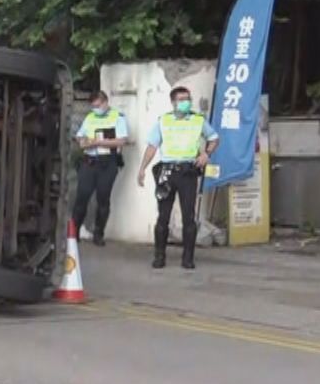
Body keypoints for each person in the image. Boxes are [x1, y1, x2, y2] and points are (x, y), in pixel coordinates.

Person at [136, 86, 220, 270]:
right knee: (163, 216)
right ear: (173, 102)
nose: (185, 102)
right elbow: (152, 146)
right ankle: (159, 256)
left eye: (188, 99)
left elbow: (214, 138)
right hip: (166, 172)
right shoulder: (163, 121)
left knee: (188, 217)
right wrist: (142, 168)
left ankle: (188, 258)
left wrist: (206, 154)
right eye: (181, 99)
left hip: (188, 172)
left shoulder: (198, 120)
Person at [72, 91, 129, 245]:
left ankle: (98, 234)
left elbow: (122, 141)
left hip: (108, 162)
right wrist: (82, 140)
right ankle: (74, 233)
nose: (96, 109)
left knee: (103, 198)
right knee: (81, 197)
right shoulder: (90, 117)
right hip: (89, 161)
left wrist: (98, 142)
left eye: (98, 106)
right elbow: (79, 135)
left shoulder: (118, 117)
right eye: (93, 106)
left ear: (105, 102)